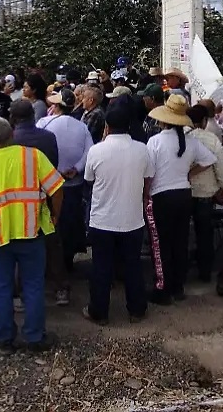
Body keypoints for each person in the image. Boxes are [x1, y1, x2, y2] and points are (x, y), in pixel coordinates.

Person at [0, 118, 63, 353]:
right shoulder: (33, 156)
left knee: (2, 288)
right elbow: (56, 188)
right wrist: (54, 217)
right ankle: (35, 337)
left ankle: (5, 338)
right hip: (32, 232)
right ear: (12, 134)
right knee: (34, 286)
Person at [82, 105, 152, 326]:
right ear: (129, 126)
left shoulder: (96, 151)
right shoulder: (142, 149)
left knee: (101, 266)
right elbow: (148, 179)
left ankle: (99, 312)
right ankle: (137, 310)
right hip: (132, 218)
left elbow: (89, 180)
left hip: (103, 219)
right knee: (133, 265)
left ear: (107, 126)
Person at [145, 95, 217, 305]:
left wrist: (145, 195)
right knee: (180, 242)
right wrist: (189, 174)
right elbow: (210, 160)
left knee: (160, 245)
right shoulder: (190, 141)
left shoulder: (155, 141)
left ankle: (162, 289)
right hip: (184, 195)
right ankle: (178, 286)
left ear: (163, 119)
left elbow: (149, 173)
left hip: (161, 197)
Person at [36, 89, 93, 307]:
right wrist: (76, 169)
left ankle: (49, 268)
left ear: (56, 105)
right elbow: (89, 151)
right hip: (72, 182)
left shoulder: (43, 123)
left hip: (47, 184)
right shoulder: (82, 126)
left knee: (48, 225)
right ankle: (66, 262)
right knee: (69, 223)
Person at [187, 104, 223, 283]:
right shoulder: (211, 139)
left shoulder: (183, 138)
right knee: (204, 233)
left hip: (184, 192)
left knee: (182, 232)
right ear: (205, 121)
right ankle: (205, 272)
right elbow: (221, 167)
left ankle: (181, 271)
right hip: (205, 193)